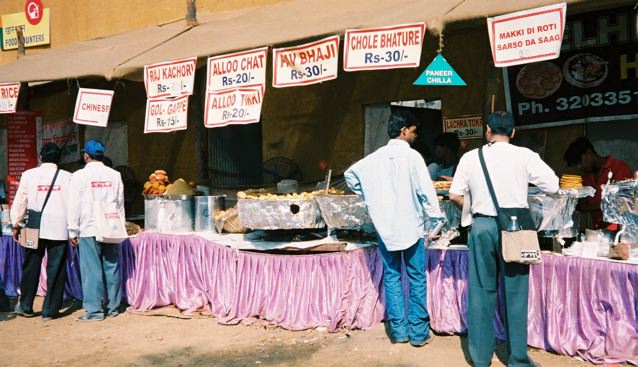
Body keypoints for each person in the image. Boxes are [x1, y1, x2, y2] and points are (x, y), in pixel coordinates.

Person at [449, 111, 558, 367]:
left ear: (487, 130)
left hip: (482, 225)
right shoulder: (525, 156)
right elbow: (552, 185)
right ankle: (518, 359)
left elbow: (454, 195)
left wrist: (474, 213)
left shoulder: (470, 157)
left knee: (480, 291)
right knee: (516, 293)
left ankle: (480, 358)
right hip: (517, 226)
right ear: (513, 132)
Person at [345, 110, 444, 347]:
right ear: (404, 130)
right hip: (412, 226)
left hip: (385, 227)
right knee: (417, 278)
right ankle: (419, 333)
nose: (416, 136)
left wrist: (371, 196)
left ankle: (399, 332)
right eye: (414, 131)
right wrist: (436, 219)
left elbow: (350, 176)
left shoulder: (373, 159)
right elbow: (426, 192)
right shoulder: (413, 158)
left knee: (391, 276)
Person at [10, 143, 72, 321]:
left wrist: (16, 224)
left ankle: (26, 306)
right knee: (56, 268)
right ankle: (50, 311)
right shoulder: (67, 177)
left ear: (40, 156)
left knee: (30, 265)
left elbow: (20, 200)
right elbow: (73, 204)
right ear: (59, 158)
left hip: (33, 226)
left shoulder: (29, 175)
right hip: (59, 228)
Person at [67, 140, 125, 321]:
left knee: (91, 270)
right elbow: (120, 203)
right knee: (112, 266)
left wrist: (72, 230)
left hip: (88, 227)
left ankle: (94, 311)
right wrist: (120, 225)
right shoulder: (115, 175)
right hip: (111, 226)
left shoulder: (78, 176)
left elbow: (73, 205)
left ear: (86, 155)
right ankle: (113, 307)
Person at [563, 137, 632, 230]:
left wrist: (589, 207)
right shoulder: (585, 177)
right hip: (598, 231)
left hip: (621, 230)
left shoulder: (618, 167)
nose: (579, 167)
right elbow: (583, 205)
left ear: (589, 153)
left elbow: (622, 202)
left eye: (579, 161)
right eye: (575, 165)